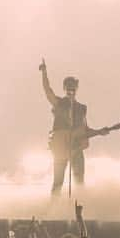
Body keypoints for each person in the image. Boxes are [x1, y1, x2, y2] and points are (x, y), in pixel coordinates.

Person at [40, 58, 89, 195]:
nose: (71, 91)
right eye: (68, 89)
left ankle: (81, 208)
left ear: (76, 88)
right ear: (64, 88)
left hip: (76, 147)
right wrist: (44, 72)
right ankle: (54, 211)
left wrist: (99, 132)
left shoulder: (81, 108)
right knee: (58, 182)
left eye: (73, 88)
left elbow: (85, 129)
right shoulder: (59, 103)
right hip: (60, 147)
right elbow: (47, 90)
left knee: (79, 182)